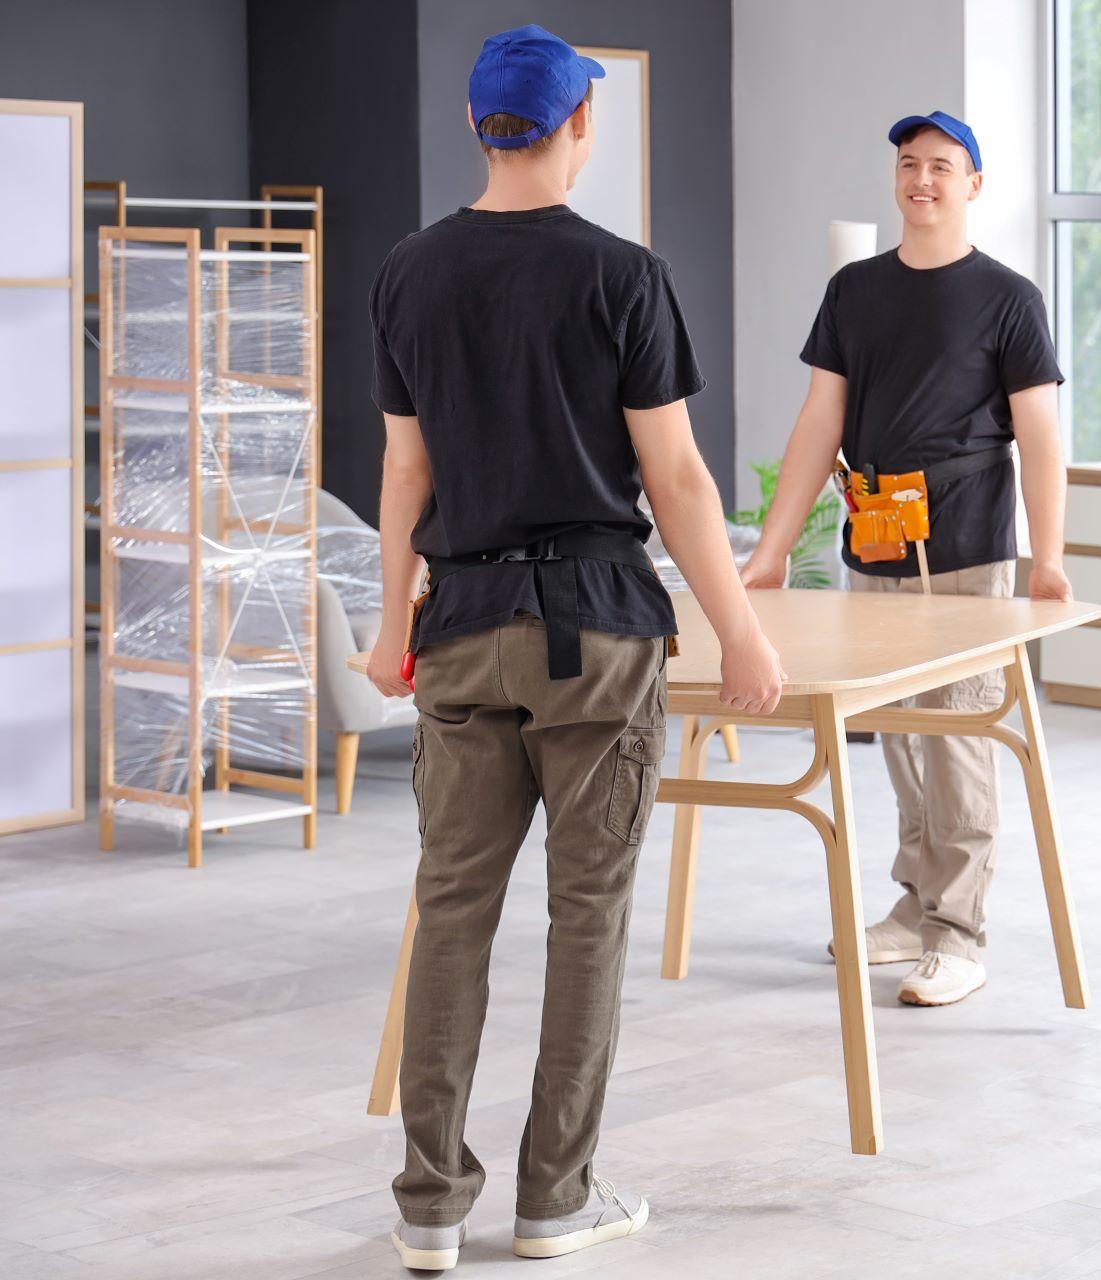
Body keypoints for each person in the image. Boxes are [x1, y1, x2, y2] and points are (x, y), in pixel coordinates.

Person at [362, 24, 783, 1271]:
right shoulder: (624, 277)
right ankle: (557, 1194)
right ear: (577, 126)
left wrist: (394, 623)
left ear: (481, 127)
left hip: (462, 630)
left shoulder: (408, 273)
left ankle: (429, 1205)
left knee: (450, 914)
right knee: (586, 915)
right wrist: (742, 629)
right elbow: (682, 480)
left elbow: (404, 469)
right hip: (599, 631)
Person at [738, 110, 1070, 1008]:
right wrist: (771, 548)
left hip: (965, 546)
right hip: (873, 539)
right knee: (895, 734)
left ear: (973, 184)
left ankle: (961, 933)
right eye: (909, 164)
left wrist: (1049, 556)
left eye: (942, 166)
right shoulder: (855, 291)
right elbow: (820, 422)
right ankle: (918, 902)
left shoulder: (1008, 299)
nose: (922, 179)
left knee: (957, 733)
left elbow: (1038, 436)